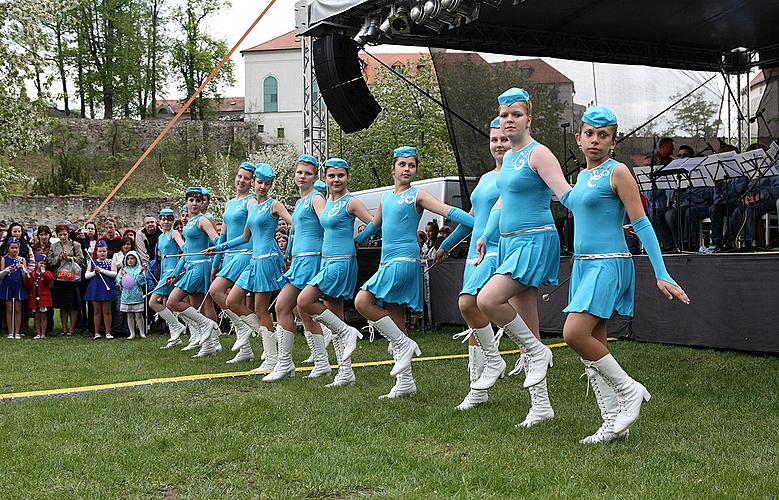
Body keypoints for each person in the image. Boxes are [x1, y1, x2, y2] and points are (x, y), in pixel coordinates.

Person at [560, 106, 689, 443]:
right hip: (584, 265)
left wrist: (661, 272)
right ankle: (613, 424)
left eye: (603, 136)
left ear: (613, 142)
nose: (595, 140)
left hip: (609, 262)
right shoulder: (582, 177)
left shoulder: (618, 173)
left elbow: (643, 223)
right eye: (589, 134)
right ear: (579, 138)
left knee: (574, 333)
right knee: (594, 345)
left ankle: (630, 391)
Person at [474, 88, 572, 428]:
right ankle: (541, 406)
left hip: (535, 242)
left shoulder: (538, 154)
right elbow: (502, 202)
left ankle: (537, 352)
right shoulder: (511, 158)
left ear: (529, 118)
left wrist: (600, 201)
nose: (509, 120)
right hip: (510, 243)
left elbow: (566, 194)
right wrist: (486, 236)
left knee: (487, 299)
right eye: (504, 115)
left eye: (515, 114)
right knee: (526, 324)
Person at [355, 146, 474, 399]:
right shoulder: (386, 198)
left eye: (411, 165)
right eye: (403, 164)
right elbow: (375, 226)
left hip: (404, 261)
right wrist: (358, 239)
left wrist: (477, 223)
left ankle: (403, 344)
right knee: (396, 317)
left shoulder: (417, 195)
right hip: (387, 261)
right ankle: (405, 382)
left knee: (362, 301)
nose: (407, 169)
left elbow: (448, 212)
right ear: (393, 168)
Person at [436, 116, 509, 409]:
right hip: (473, 255)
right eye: (494, 140)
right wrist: (445, 245)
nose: (499, 144)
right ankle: (477, 388)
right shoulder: (484, 178)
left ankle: (494, 363)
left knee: (471, 305)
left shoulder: (515, 174)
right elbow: (471, 219)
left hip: (495, 250)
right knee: (473, 320)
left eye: (504, 138)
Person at [206, 164, 293, 374]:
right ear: (255, 182)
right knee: (232, 300)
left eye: (267, 183)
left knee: (262, 309)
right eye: (259, 182)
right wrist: (218, 248)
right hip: (254, 260)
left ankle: (273, 358)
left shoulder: (275, 205)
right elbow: (244, 238)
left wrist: (289, 251)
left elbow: (294, 224)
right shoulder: (252, 207)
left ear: (271, 185)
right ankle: (268, 347)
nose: (262, 186)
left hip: (267, 259)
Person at [297, 158, 373, 387]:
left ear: (347, 177)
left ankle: (347, 332)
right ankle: (345, 371)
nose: (336, 180)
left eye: (340, 175)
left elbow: (374, 222)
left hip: (341, 263)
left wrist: (359, 238)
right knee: (334, 313)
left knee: (304, 301)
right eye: (331, 176)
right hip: (326, 261)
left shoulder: (351, 202)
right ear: (326, 179)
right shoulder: (328, 201)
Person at [274, 157, 332, 378]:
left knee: (283, 306)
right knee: (301, 311)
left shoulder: (316, 198)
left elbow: (328, 225)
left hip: (312, 259)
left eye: (307, 173)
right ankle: (319, 363)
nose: (302, 176)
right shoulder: (300, 202)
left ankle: (286, 363)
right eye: (299, 172)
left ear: (314, 177)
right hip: (299, 261)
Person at [203, 162, 256, 362]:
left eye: (246, 178)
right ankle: (246, 350)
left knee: (217, 291)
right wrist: (216, 263)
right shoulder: (229, 203)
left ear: (252, 182)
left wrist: (218, 249)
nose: (241, 180)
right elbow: (222, 236)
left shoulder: (251, 203)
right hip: (229, 257)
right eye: (239, 176)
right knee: (234, 300)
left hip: (244, 253)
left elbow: (247, 236)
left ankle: (244, 328)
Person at [162, 187, 221, 358]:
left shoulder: (203, 220)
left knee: (172, 301)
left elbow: (216, 239)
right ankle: (209, 344)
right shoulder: (189, 222)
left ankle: (207, 327)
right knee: (198, 306)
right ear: (186, 202)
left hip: (200, 266)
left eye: (198, 200)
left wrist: (217, 248)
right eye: (191, 200)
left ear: (202, 203)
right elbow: (187, 251)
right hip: (191, 265)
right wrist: (177, 271)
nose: (194, 203)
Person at [153, 209, 187, 348]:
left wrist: (176, 272)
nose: (166, 222)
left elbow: (185, 252)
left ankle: (177, 327)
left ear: (173, 221)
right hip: (165, 273)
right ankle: (175, 336)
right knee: (169, 305)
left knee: (153, 302)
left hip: (172, 273)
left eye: (169, 219)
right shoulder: (160, 237)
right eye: (163, 219)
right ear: (159, 220)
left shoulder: (174, 233)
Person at [48, 224, 85, 336]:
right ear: (57, 235)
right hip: (59, 278)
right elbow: (49, 261)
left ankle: (72, 329)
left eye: (65, 234)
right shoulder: (54, 246)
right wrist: (58, 258)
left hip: (72, 278)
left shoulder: (75, 245)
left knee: (73, 305)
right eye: (60, 235)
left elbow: (82, 261)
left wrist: (70, 258)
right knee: (63, 305)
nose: (63, 237)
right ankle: (64, 329)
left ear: (68, 234)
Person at [84, 240, 117, 340]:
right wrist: (94, 272)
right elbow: (86, 275)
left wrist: (102, 270)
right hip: (95, 288)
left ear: (107, 252)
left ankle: (108, 332)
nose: (102, 253)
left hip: (107, 288)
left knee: (107, 311)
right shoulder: (92, 262)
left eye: (104, 251)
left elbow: (114, 274)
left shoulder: (110, 261)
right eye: (100, 251)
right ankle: (97, 332)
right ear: (96, 252)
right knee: (96, 311)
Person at [0, 237, 30, 339]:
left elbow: (27, 276)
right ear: (8, 248)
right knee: (9, 309)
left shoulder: (22, 260)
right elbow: (1, 275)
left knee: (18, 309)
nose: (14, 250)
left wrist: (23, 270)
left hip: (19, 285)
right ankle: (10, 332)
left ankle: (17, 332)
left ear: (19, 248)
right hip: (7, 285)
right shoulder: (4, 259)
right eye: (12, 247)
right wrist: (6, 270)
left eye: (16, 248)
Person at [117, 251, 145, 339]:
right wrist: (122, 277)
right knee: (129, 315)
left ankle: (142, 332)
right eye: (128, 259)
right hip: (127, 297)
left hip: (137, 296)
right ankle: (132, 333)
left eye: (132, 258)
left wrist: (140, 273)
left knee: (138, 315)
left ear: (136, 259)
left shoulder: (139, 269)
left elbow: (142, 282)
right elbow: (119, 282)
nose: (130, 260)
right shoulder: (123, 270)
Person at [25, 255, 53, 339]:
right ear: (36, 263)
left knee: (43, 316)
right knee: (36, 316)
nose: (42, 265)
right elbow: (28, 284)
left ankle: (43, 333)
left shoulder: (47, 273)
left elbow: (49, 279)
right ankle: (38, 333)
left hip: (43, 298)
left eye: (44, 263)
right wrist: (27, 277)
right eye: (41, 263)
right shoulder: (32, 273)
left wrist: (43, 272)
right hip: (34, 297)